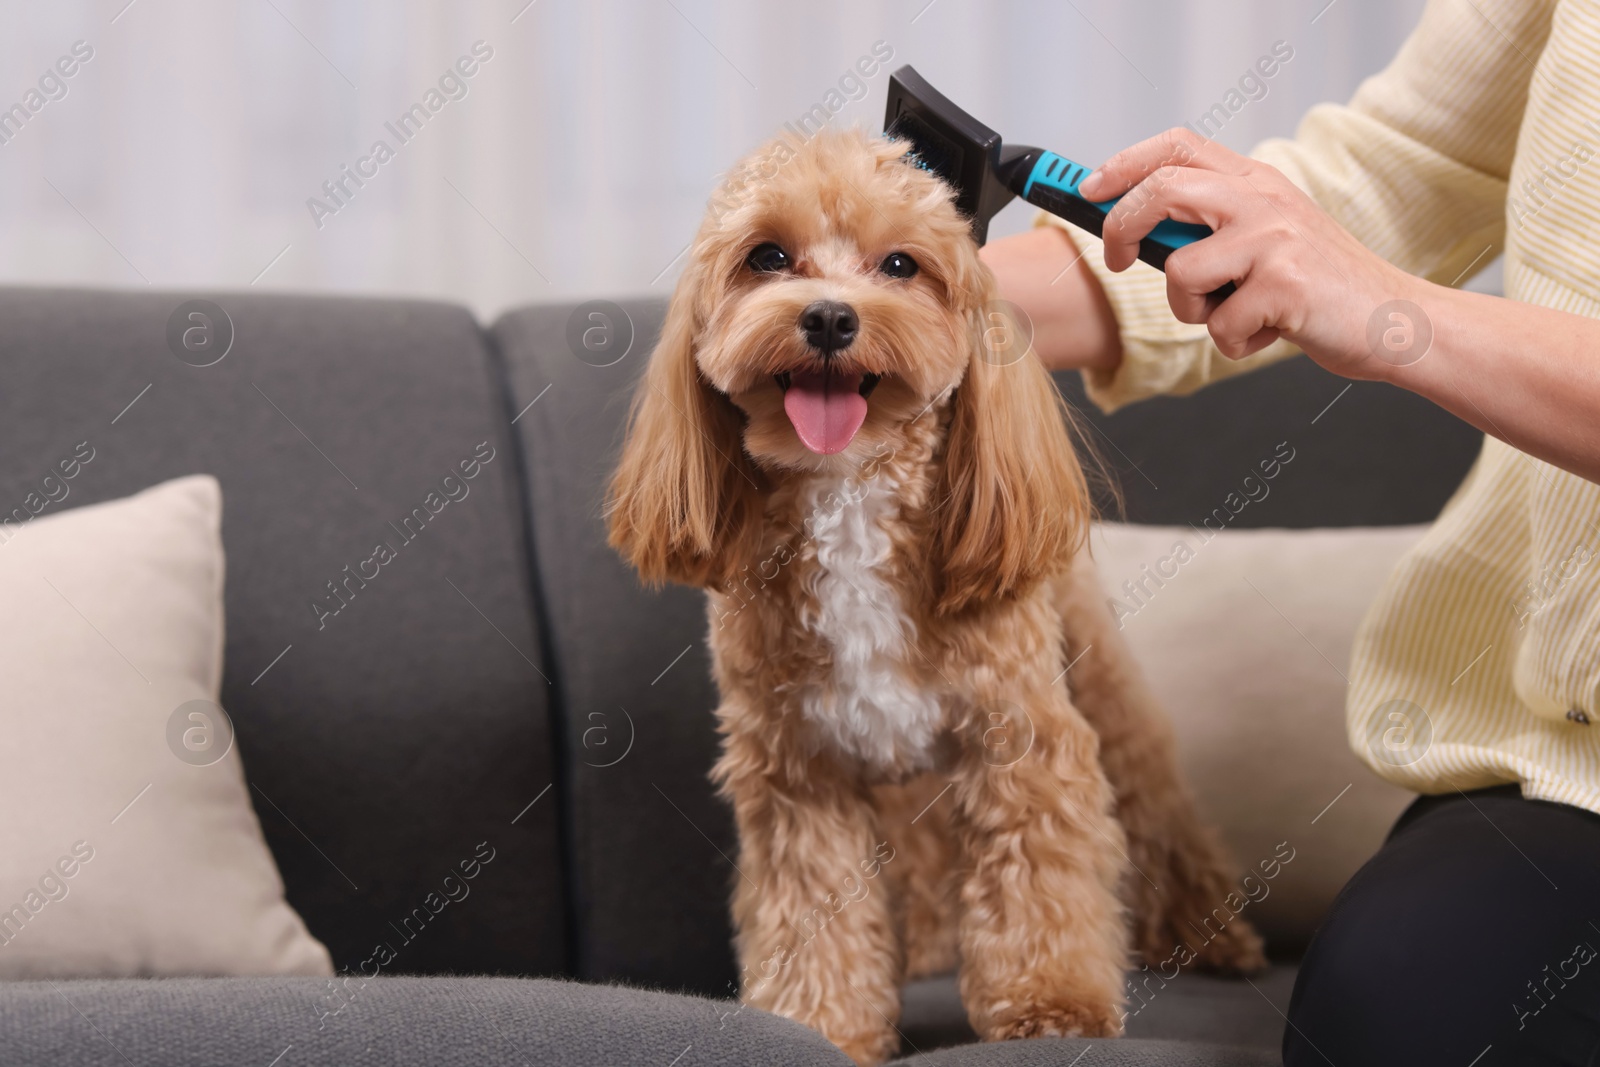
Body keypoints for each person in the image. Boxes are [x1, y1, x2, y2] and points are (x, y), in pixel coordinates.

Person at [981, 1, 1600, 1063]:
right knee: (1407, 1005)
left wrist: (1390, 312)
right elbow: (1403, 165)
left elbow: (1362, 273)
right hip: (1566, 768)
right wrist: (932, 294)